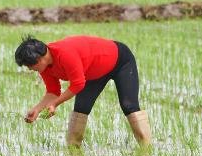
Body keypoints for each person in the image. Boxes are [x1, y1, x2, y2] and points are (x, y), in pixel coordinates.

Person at [14, 35, 151, 147]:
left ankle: (146, 148)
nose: (29, 69)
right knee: (81, 109)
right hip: (92, 72)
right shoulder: (44, 68)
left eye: (29, 65)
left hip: (120, 61)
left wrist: (55, 104)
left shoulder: (65, 54)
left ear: (39, 58)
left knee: (129, 105)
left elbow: (78, 84)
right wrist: (37, 109)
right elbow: (53, 91)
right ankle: (73, 151)